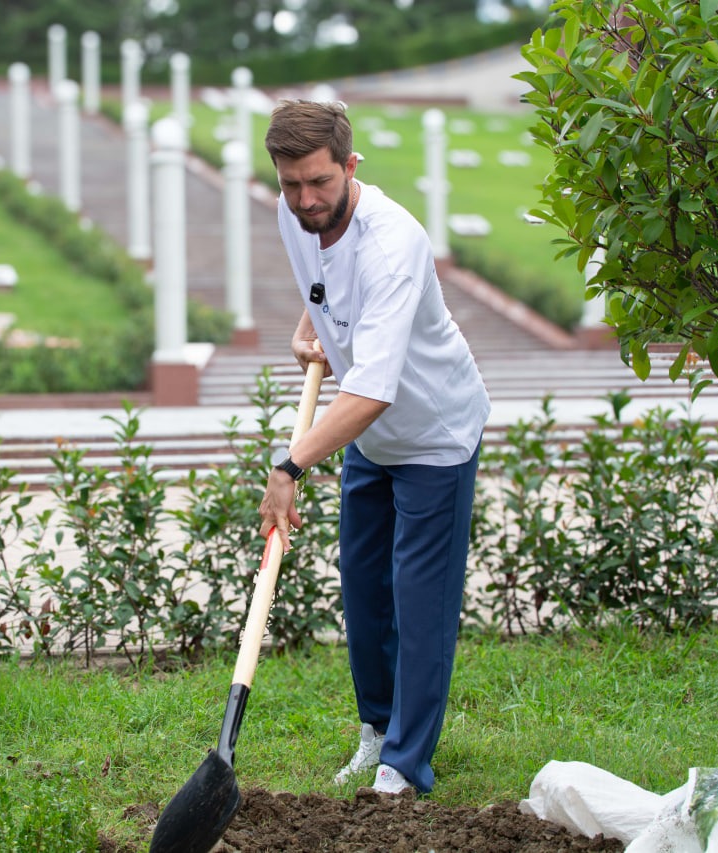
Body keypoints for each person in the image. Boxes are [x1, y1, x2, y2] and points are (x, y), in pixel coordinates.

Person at [258, 100, 491, 797]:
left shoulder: (396, 242)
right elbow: (323, 275)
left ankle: (405, 765)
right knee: (364, 594)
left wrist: (289, 464)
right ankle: (376, 729)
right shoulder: (294, 213)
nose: (307, 200)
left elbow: (373, 391)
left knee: (419, 602)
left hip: (432, 433)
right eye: (292, 184)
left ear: (350, 166)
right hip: (369, 433)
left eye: (320, 183)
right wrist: (313, 319)